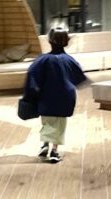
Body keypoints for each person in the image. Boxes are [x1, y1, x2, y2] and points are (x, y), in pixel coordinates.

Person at [24, 28, 87, 163]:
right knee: (59, 125)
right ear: (66, 42)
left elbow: (32, 76)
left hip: (45, 98)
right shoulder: (69, 60)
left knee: (47, 122)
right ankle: (54, 151)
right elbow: (79, 78)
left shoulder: (41, 60)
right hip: (64, 98)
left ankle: (45, 145)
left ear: (49, 41)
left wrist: (30, 95)